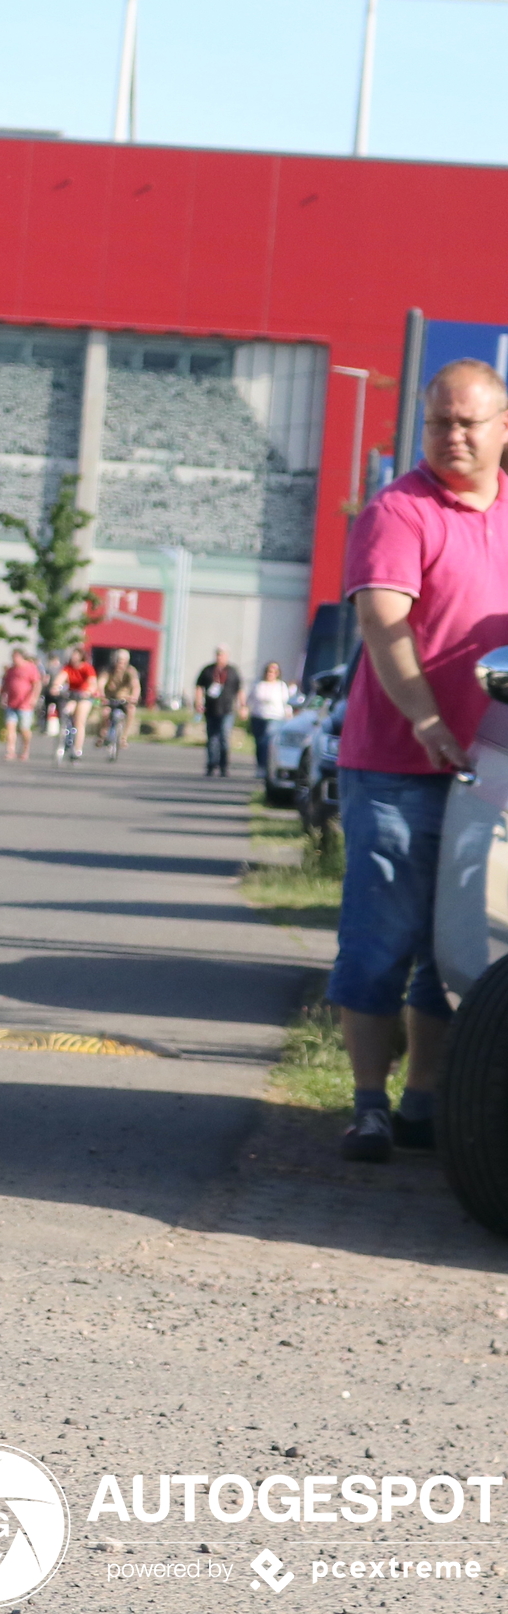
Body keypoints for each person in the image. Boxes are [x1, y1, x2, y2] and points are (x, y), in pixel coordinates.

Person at [327, 358, 508, 1163]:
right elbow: (383, 623)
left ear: (503, 428)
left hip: (491, 767)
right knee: (380, 940)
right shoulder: (400, 509)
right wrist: (428, 719)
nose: (454, 435)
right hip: (398, 764)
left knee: (457, 949)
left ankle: (426, 1104)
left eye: (470, 422)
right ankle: (368, 1105)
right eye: (440, 421)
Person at [198, 647, 243, 777]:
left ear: (227, 656)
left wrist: (242, 706)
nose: (219, 657)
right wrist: (199, 702)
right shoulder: (208, 670)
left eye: (222, 655)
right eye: (218, 655)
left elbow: (239, 689)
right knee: (212, 738)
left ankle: (224, 765)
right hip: (211, 709)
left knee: (224, 737)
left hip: (227, 710)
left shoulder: (233, 671)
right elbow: (199, 686)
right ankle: (211, 765)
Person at [50, 644, 98, 763]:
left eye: (76, 655)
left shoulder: (87, 668)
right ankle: (63, 739)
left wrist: (88, 691)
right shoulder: (68, 668)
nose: (74, 657)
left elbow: (92, 682)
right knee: (66, 712)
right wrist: (55, 687)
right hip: (72, 694)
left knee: (79, 720)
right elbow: (61, 678)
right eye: (73, 655)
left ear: (81, 656)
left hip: (84, 696)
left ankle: (77, 749)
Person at [248, 660, 294, 782]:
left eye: (274, 672)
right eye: (269, 671)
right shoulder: (258, 684)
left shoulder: (281, 686)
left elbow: (286, 703)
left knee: (267, 741)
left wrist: (289, 716)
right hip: (258, 716)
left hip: (275, 717)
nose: (271, 673)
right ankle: (261, 766)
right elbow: (250, 699)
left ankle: (268, 767)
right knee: (259, 743)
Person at [0, 648, 40, 761]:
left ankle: (25, 749)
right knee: (10, 727)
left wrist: (33, 698)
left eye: (16, 657)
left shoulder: (30, 668)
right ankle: (10, 751)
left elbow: (37, 684)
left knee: (24, 729)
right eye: (13, 657)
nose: (14, 659)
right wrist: (2, 697)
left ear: (22, 657)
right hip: (11, 703)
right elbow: (5, 684)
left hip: (25, 705)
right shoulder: (11, 670)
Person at [99, 651, 141, 756]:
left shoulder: (130, 671)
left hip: (124, 699)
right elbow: (101, 683)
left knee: (131, 710)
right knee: (105, 712)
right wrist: (101, 695)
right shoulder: (108, 670)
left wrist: (134, 697)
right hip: (110, 699)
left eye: (122, 661)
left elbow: (135, 685)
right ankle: (103, 733)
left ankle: (124, 737)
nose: (120, 664)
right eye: (118, 661)